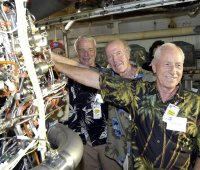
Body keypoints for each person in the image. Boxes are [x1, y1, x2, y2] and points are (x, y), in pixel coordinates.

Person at [53, 42, 200, 169]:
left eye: (178, 65)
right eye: (167, 64)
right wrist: (53, 63)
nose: (173, 71)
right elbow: (93, 77)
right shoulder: (138, 92)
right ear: (154, 67)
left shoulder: (195, 104)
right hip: (124, 152)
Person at [55, 35, 120, 170]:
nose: (86, 54)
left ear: (95, 51)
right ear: (76, 52)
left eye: (90, 50)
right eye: (82, 50)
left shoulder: (106, 75)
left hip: (106, 138)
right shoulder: (65, 78)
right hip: (80, 140)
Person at [102, 39, 154, 169]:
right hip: (122, 150)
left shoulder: (151, 79)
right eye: (110, 56)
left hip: (147, 151)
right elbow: (83, 68)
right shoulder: (108, 82)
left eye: (118, 53)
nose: (115, 59)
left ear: (128, 54)